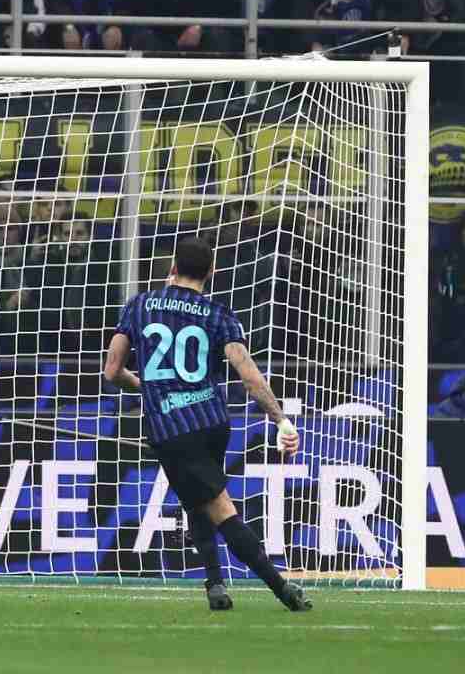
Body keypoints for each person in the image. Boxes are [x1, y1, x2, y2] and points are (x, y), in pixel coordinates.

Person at [103, 237, 312, 613]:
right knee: (196, 497)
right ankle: (215, 584)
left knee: (217, 506)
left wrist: (147, 389)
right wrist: (279, 418)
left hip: (171, 426)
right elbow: (247, 374)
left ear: (172, 268)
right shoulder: (218, 314)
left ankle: (282, 589)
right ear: (211, 273)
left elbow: (113, 370)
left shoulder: (139, 305)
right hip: (213, 421)